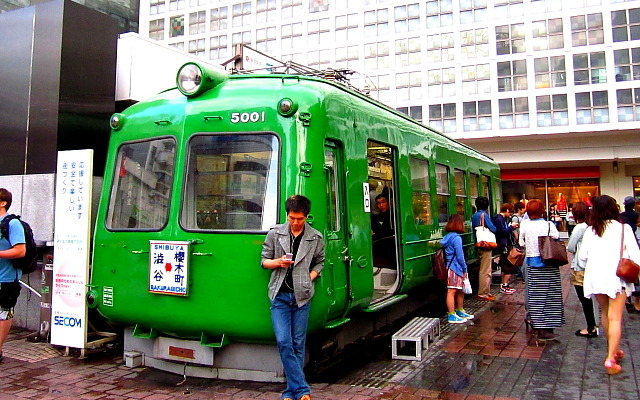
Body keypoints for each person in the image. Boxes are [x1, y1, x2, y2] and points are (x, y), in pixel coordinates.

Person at [261, 195, 324, 400]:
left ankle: (290, 391)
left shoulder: (315, 238)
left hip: (302, 297)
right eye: (291, 218)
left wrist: (310, 277)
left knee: (298, 343)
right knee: (284, 341)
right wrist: (278, 262)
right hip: (279, 296)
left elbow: (320, 262)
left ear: (306, 217)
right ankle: (302, 389)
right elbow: (263, 261)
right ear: (287, 215)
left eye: (299, 219)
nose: (295, 222)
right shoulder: (275, 234)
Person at [578, 195, 640, 375]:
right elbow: (636, 257)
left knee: (605, 313)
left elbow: (582, 258)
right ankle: (610, 358)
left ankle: (614, 349)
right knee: (615, 317)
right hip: (616, 278)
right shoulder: (623, 229)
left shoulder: (591, 230)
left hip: (595, 277)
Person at [519, 199, 565, 341]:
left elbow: (521, 243)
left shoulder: (524, 225)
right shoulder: (549, 225)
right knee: (551, 296)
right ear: (542, 211)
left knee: (535, 297)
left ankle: (538, 326)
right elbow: (556, 237)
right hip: (549, 263)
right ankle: (548, 327)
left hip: (532, 264)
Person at [0, 188, 26, 362]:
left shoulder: (12, 224)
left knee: (3, 313)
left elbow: (20, 250)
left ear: (3, 203)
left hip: (6, 278)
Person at [565, 202, 597, 338]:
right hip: (593, 264)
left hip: (581, 265)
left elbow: (571, 246)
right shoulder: (593, 226)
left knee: (584, 297)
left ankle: (591, 326)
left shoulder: (579, 228)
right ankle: (593, 325)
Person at [441, 214, 474, 324]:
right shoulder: (457, 238)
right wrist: (465, 269)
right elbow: (460, 256)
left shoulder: (448, 237)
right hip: (456, 268)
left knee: (460, 290)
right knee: (452, 290)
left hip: (451, 267)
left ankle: (459, 310)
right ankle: (452, 314)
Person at [471, 196, 497, 301]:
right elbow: (493, 228)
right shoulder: (484, 215)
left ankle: (486, 291)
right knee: (485, 270)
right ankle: (483, 293)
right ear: (486, 205)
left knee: (483, 268)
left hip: (479, 243)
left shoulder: (474, 216)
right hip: (486, 245)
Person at [492, 203, 517, 294]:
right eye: (510, 212)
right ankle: (504, 285)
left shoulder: (500, 219)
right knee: (509, 265)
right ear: (507, 210)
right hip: (504, 245)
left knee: (505, 266)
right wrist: (511, 227)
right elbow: (503, 232)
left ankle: (504, 285)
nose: (510, 214)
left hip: (503, 244)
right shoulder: (499, 219)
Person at [371, 194, 396, 269]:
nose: (381, 205)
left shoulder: (395, 216)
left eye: (383, 202)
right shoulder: (375, 218)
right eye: (378, 203)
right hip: (380, 249)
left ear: (389, 202)